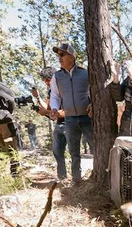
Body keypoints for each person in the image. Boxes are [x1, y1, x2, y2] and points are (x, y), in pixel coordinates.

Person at [50, 43, 94, 183]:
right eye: (58, 55)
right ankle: (76, 180)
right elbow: (55, 96)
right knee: (74, 151)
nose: (59, 58)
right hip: (69, 120)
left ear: (72, 57)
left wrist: (93, 104)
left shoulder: (85, 73)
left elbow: (95, 92)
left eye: (62, 54)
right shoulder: (56, 76)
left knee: (95, 148)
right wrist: (54, 109)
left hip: (87, 118)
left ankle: (97, 176)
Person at [32, 66, 68, 180]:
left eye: (48, 80)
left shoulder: (66, 87)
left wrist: (47, 112)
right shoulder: (51, 91)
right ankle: (62, 178)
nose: (47, 83)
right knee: (57, 151)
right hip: (59, 124)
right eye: (45, 81)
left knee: (74, 152)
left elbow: (68, 111)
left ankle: (77, 180)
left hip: (71, 123)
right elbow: (48, 108)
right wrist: (37, 97)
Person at [0, 66, 20, 176]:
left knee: (11, 149)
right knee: (0, 149)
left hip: (5, 122)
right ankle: (2, 176)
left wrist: (8, 113)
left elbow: (10, 99)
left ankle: (15, 175)